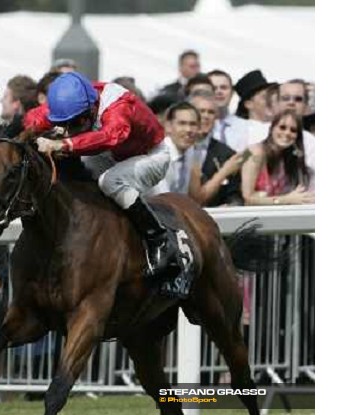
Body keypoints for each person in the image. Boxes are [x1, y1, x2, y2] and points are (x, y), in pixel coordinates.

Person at [24, 72, 177, 277]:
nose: (69, 130)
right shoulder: (71, 102)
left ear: (92, 110)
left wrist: (63, 143)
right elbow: (32, 119)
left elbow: (112, 136)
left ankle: (159, 240)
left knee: (110, 181)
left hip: (151, 155)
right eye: (65, 124)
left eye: (75, 123)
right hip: (110, 155)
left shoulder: (117, 106)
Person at [241, 110, 314, 206]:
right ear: (271, 129)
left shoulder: (288, 159)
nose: (287, 133)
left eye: (293, 130)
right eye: (282, 127)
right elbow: (248, 198)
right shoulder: (253, 151)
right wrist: (286, 199)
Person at [187, 92, 244, 207]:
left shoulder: (227, 154)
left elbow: (234, 195)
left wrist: (231, 206)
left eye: (211, 112)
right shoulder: (173, 149)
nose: (206, 116)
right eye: (201, 111)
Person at [158, 101, 200, 194]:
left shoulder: (190, 154)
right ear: (168, 126)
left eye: (193, 124)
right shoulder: (158, 157)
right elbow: (160, 200)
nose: (188, 130)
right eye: (182, 123)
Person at [205, 69, 249, 152]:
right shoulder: (198, 127)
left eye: (223, 88)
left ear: (232, 92)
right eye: (213, 88)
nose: (219, 92)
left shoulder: (245, 127)